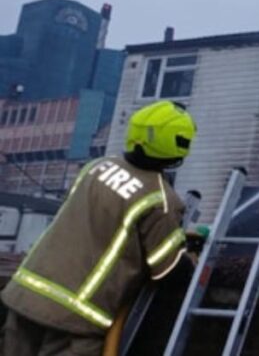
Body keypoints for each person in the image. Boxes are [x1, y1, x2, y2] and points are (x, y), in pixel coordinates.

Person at [2, 100, 197, 356]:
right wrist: (191, 258)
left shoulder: (95, 167)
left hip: (24, 297)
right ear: (179, 146)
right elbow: (167, 272)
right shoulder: (161, 200)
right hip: (74, 318)